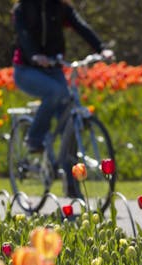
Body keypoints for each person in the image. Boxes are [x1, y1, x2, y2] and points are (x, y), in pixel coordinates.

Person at [12, 0, 113, 197]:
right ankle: (34, 138)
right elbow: (23, 35)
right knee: (55, 93)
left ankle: (72, 183)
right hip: (26, 69)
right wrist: (34, 55)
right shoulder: (23, 8)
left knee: (69, 119)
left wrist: (101, 48)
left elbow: (81, 27)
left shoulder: (60, 7)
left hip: (53, 68)